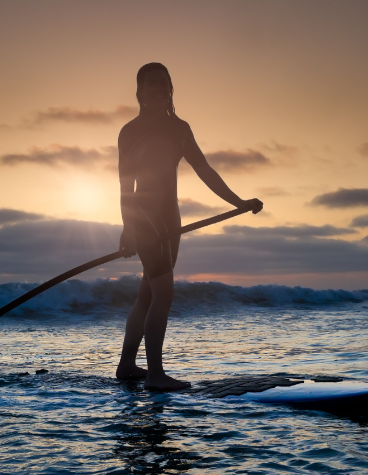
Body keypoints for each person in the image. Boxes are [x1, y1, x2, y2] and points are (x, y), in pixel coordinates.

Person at [115, 63, 263, 391]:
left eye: (164, 84)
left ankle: (127, 366)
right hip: (144, 215)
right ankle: (155, 375)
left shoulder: (180, 128)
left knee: (148, 293)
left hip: (172, 216)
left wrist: (237, 202)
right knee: (163, 293)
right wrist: (128, 228)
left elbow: (204, 169)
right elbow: (125, 184)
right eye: (151, 84)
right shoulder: (130, 131)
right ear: (138, 92)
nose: (159, 89)